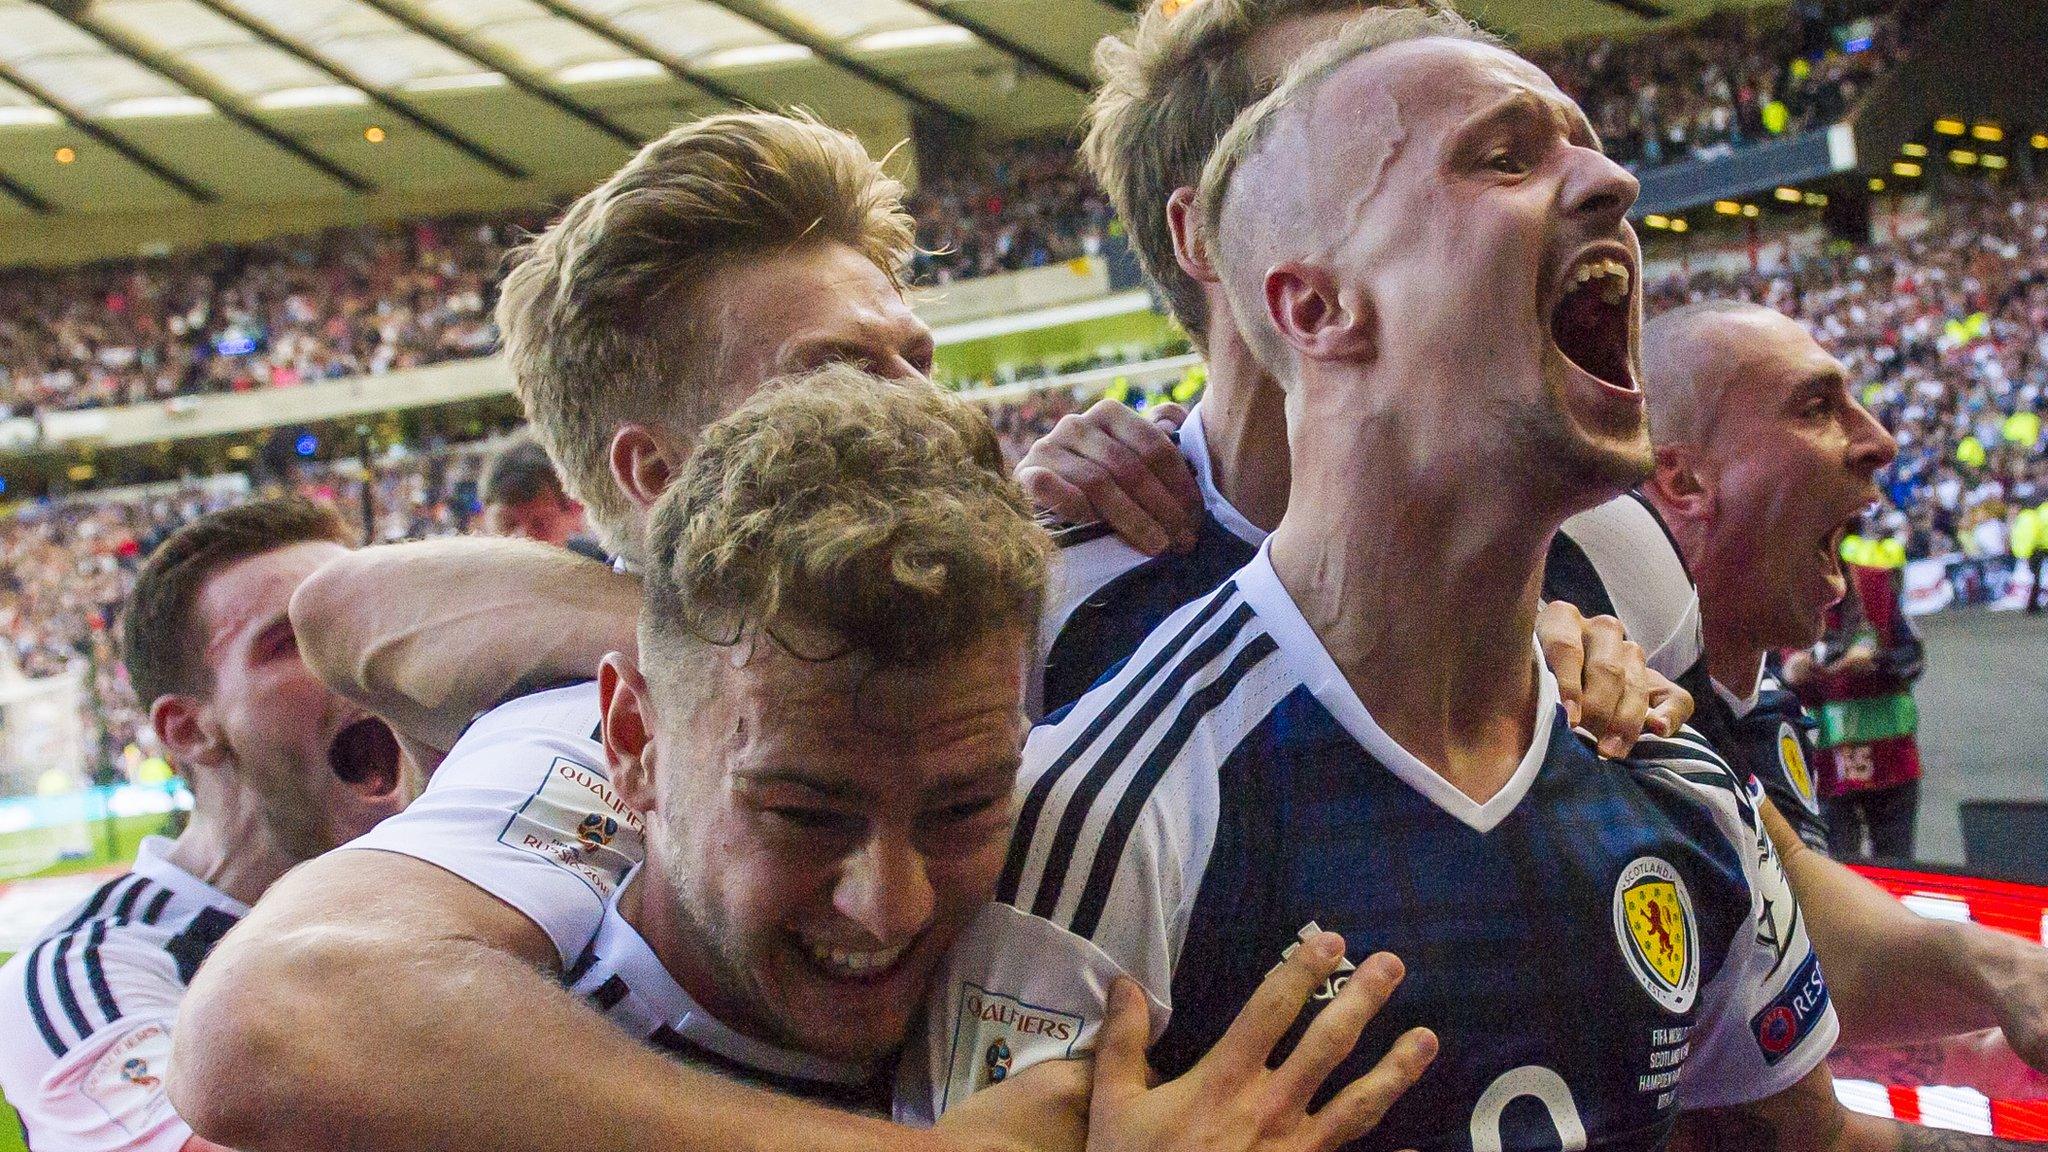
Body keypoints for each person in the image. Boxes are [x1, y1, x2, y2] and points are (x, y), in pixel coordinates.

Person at [168, 113, 1429, 1152]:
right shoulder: (580, 735)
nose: (926, 415)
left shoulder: (1042, 596)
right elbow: (284, 1008)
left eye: (915, 361)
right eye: (835, 374)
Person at [926, 12, 2035, 1150]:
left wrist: (1995, 969)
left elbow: (1780, 1070)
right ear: (1286, 287)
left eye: (1580, 142)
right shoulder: (1080, 697)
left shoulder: (1635, 656)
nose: (1613, 181)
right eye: (1498, 154)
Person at [0, 497, 409, 1152]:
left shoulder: (467, 881)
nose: (361, 663)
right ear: (188, 729)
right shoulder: (88, 971)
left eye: (369, 627)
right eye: (296, 643)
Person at [1785, 558, 1926, 861]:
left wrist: (1877, 660)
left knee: (1897, 869)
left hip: (1891, 761)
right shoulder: (1779, 592)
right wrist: (1787, 673)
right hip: (1821, 770)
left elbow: (1913, 657)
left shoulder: (1877, 584)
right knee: (1838, 871)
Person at [479, 433, 604, 561]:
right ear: (484, 519)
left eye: (540, 525)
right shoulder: (466, 574)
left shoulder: (603, 570)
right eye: (508, 525)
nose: (522, 540)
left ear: (574, 514)